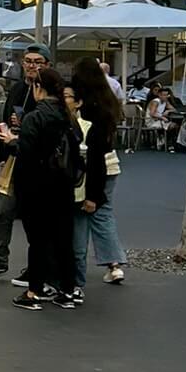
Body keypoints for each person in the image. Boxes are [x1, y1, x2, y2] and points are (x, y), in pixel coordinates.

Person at [0, 44, 48, 280]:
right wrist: (2, 155)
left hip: (37, 162)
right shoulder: (17, 89)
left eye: (38, 61)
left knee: (32, 217)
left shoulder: (49, 93)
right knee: (3, 211)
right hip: (12, 158)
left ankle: (35, 265)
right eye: (28, 61)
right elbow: (5, 123)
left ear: (47, 65)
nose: (32, 66)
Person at [13, 65, 81, 309]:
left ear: (38, 88)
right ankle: (68, 290)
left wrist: (13, 142)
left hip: (38, 186)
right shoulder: (68, 116)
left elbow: (26, 153)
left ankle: (34, 292)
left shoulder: (36, 117)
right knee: (63, 239)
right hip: (63, 185)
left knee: (38, 241)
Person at [69, 56, 128, 292]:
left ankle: (76, 272)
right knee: (104, 214)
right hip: (111, 163)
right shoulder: (108, 101)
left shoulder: (84, 105)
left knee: (83, 215)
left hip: (89, 164)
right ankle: (114, 264)